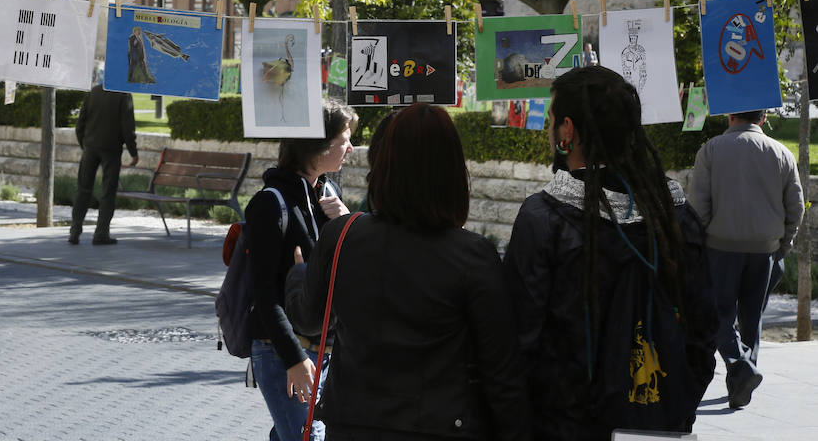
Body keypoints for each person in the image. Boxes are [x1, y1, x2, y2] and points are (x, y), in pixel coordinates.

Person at [285, 103, 522, 441]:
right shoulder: (472, 255)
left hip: (354, 424)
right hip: (440, 426)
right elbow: (501, 371)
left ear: (380, 167)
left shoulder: (342, 236)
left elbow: (309, 320)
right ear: (452, 170)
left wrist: (297, 278)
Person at [503, 66, 718, 440]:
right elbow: (704, 330)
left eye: (552, 120)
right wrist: (677, 405)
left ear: (568, 130)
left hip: (566, 428)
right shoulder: (677, 217)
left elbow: (519, 341)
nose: (549, 130)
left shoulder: (544, 220)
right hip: (659, 424)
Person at [247, 100, 357, 441]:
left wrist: (346, 221)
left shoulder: (329, 193)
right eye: (344, 140)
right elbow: (264, 292)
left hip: (326, 348)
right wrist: (293, 359)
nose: (351, 148)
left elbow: (350, 265)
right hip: (284, 350)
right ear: (318, 146)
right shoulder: (270, 203)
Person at [688, 109, 804, 409]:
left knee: (718, 315)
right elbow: (796, 206)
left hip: (720, 246)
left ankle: (741, 369)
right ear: (763, 119)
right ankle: (741, 382)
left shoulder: (711, 150)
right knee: (752, 317)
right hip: (765, 249)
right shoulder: (782, 153)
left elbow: (698, 207)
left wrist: (697, 246)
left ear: (729, 116)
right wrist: (783, 245)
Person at [69, 83, 138, 245]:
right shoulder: (123, 95)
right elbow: (128, 128)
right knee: (108, 192)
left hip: (90, 148)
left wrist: (85, 144)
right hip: (112, 150)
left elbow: (80, 123)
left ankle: (75, 230)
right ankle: (101, 233)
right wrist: (133, 152)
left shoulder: (94, 92)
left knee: (83, 189)